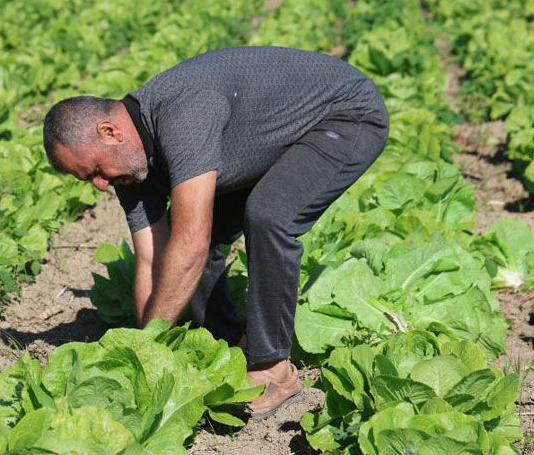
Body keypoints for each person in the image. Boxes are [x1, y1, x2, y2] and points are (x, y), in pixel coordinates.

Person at [42, 46, 388, 420]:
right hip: (272, 135)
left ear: (109, 132)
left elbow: (191, 244)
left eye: (94, 169)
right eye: (88, 179)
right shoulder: (129, 169)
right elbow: (152, 261)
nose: (99, 185)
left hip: (344, 116)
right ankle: (230, 345)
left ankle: (273, 369)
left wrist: (148, 345)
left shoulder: (182, 115)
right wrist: (140, 351)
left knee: (268, 215)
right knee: (184, 250)